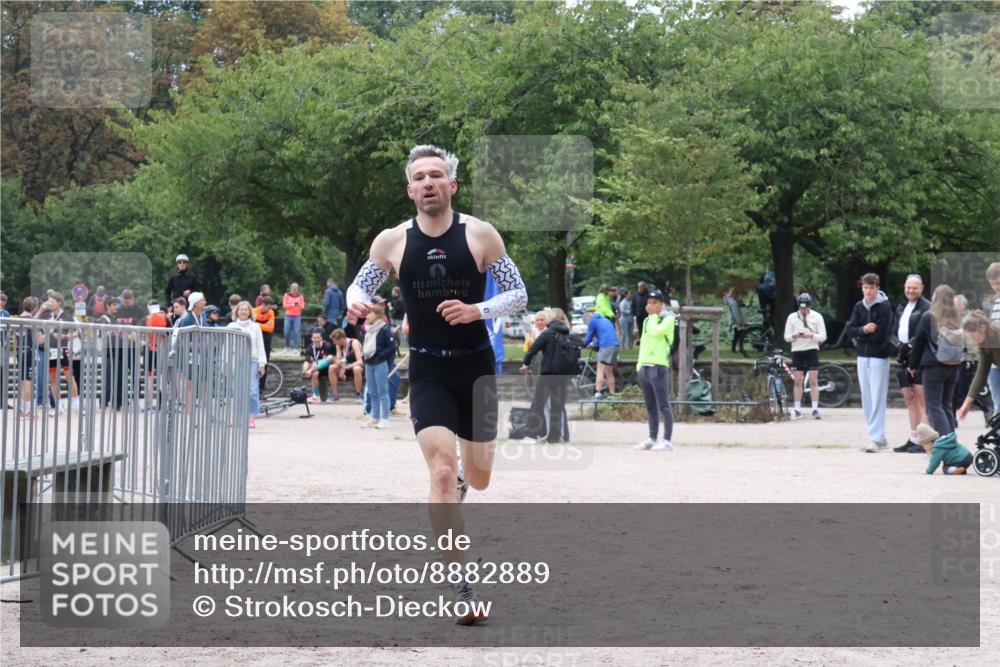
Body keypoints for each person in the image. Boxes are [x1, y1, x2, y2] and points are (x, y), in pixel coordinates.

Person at [346, 144, 527, 625]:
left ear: (452, 185)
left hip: (477, 367)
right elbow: (361, 284)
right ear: (410, 190)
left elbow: (518, 293)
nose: (428, 182)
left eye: (436, 175)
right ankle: (461, 587)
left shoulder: (480, 234)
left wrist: (477, 310)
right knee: (441, 472)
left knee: (481, 478)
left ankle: (469, 480)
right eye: (420, 177)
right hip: (426, 370)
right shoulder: (393, 241)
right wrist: (356, 300)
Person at [845, 273, 895, 453]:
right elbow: (850, 330)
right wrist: (864, 330)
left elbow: (883, 333)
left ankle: (876, 437)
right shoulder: (859, 306)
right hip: (862, 356)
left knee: (877, 397)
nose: (869, 291)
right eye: (866, 288)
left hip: (879, 357)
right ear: (862, 288)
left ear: (877, 288)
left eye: (872, 288)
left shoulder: (885, 307)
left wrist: (862, 335)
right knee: (867, 399)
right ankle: (877, 437)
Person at [907, 284, 963, 438]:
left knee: (933, 407)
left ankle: (947, 444)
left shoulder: (929, 316)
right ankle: (953, 440)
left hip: (934, 367)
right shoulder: (956, 319)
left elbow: (918, 343)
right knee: (946, 405)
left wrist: (912, 366)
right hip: (953, 367)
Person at [890, 274, 932, 453]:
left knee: (922, 398)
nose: (911, 290)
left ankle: (925, 440)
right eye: (908, 287)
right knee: (909, 398)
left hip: (920, 357)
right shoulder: (901, 307)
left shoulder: (927, 307)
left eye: (915, 287)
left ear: (921, 288)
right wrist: (898, 345)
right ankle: (913, 438)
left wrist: (911, 344)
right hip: (903, 357)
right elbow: (892, 331)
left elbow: (924, 332)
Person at [520, 307, 572, 444]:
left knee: (537, 403)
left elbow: (532, 350)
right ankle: (554, 437)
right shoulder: (566, 333)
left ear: (550, 319)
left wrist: (526, 363)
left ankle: (531, 435)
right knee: (556, 405)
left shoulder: (547, 333)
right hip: (562, 375)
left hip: (548, 373)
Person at [633, 290, 676, 451]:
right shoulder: (646, 321)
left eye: (654, 303)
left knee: (663, 405)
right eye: (648, 302)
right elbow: (644, 342)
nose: (650, 305)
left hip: (658, 366)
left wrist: (652, 317)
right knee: (650, 405)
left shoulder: (668, 319)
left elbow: (656, 332)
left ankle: (667, 440)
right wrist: (639, 365)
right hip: (644, 366)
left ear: (661, 304)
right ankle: (652, 438)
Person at [782, 292, 827, 420]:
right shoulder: (792, 317)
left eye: (805, 307)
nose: (803, 310)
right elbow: (786, 337)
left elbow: (823, 336)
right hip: (797, 351)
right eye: (801, 307)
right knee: (798, 380)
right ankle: (797, 409)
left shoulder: (817, 317)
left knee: (813, 380)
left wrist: (811, 336)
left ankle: (814, 409)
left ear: (809, 306)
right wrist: (794, 335)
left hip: (812, 350)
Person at [36, 293, 81, 415]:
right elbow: (33, 322)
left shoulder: (66, 316)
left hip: (63, 349)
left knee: (69, 377)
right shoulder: (46, 315)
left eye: (52, 302)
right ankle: (58, 406)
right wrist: (41, 308)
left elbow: (77, 332)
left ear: (59, 302)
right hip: (51, 350)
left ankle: (75, 404)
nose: (49, 304)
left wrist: (65, 336)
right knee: (53, 380)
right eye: (48, 301)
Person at [228, 301, 267, 428]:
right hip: (236, 360)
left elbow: (260, 345)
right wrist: (226, 363)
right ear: (237, 312)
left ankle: (251, 418)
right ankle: (235, 417)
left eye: (246, 309)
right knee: (237, 391)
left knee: (252, 391)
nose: (243, 311)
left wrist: (262, 364)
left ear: (250, 312)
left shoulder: (255, 327)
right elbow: (227, 346)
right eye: (241, 309)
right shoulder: (231, 326)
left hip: (252, 360)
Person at [957, 311, 1000, 423]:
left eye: (973, 335)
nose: (972, 339)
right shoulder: (983, 342)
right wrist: (967, 403)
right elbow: (981, 373)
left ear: (983, 328)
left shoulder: (997, 335)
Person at [362, 304, 395, 428]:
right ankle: (374, 417)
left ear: (378, 315)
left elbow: (392, 347)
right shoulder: (368, 328)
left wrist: (381, 356)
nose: (368, 315)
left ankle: (385, 419)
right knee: (372, 392)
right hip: (369, 363)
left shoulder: (384, 328)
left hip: (380, 363)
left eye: (370, 313)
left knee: (383, 392)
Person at [582, 309, 618, 397]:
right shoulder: (605, 320)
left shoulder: (592, 321)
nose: (587, 325)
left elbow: (589, 336)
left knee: (600, 369)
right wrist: (594, 344)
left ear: (587, 319)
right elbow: (604, 335)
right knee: (609, 371)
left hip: (605, 346)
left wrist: (582, 344)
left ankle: (598, 393)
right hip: (614, 346)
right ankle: (612, 393)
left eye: (586, 323)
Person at [331, 328, 364, 402]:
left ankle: (358, 395)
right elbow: (338, 360)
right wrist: (341, 367)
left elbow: (360, 361)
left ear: (342, 339)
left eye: (335, 341)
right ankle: (335, 395)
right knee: (332, 367)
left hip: (357, 366)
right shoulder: (338, 345)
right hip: (346, 366)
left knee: (356, 368)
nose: (334, 343)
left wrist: (345, 368)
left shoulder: (354, 343)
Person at [303, 330, 336, 403]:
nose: (316, 339)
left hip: (328, 368)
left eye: (318, 338)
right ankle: (316, 396)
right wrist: (305, 370)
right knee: (314, 372)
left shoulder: (327, 345)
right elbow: (307, 361)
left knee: (329, 358)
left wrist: (311, 369)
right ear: (311, 338)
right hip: (316, 369)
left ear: (321, 338)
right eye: (314, 338)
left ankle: (312, 370)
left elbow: (329, 359)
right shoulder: (309, 347)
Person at [985, 262, 1000, 414]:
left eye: (998, 283)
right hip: (994, 362)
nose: (996, 287)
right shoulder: (993, 301)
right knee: (998, 406)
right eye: (993, 284)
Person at [253, 296, 276, 394]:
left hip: (266, 340)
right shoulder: (253, 311)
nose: (270, 310)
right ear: (263, 305)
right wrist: (264, 325)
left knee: (264, 363)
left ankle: (261, 389)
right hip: (255, 339)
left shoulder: (270, 313)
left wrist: (257, 324)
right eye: (269, 307)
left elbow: (270, 328)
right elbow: (251, 324)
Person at [282, 283, 305, 352]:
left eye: (296, 289)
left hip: (297, 316)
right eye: (293, 289)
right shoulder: (287, 295)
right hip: (288, 316)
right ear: (291, 289)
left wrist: (298, 305)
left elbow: (302, 307)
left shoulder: (301, 296)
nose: (295, 291)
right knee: (286, 331)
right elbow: (284, 305)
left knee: (296, 332)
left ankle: (295, 348)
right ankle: (287, 346)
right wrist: (292, 304)